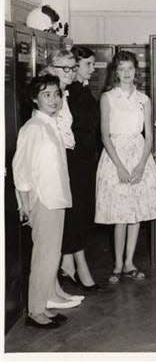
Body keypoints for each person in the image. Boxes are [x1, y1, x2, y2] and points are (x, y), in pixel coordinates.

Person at [13, 75, 84, 329]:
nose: (53, 100)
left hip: (56, 198)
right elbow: (20, 170)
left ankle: (42, 306)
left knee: (51, 256)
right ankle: (35, 312)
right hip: (43, 200)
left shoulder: (50, 124)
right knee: (43, 257)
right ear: (35, 98)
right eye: (46, 95)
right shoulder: (32, 128)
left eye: (56, 94)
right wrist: (25, 204)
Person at [95, 51, 156, 283]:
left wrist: (141, 165)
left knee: (137, 213)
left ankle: (129, 263)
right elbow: (105, 135)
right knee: (120, 214)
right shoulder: (108, 97)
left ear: (136, 71)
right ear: (115, 72)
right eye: (121, 69)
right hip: (115, 157)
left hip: (139, 156)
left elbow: (148, 137)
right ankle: (116, 265)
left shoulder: (144, 99)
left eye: (130, 69)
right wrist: (120, 167)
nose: (126, 73)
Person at [51, 46, 101, 290]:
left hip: (84, 161)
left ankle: (69, 264)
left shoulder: (80, 90)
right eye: (88, 65)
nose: (92, 69)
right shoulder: (63, 93)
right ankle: (78, 267)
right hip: (71, 162)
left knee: (80, 213)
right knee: (76, 214)